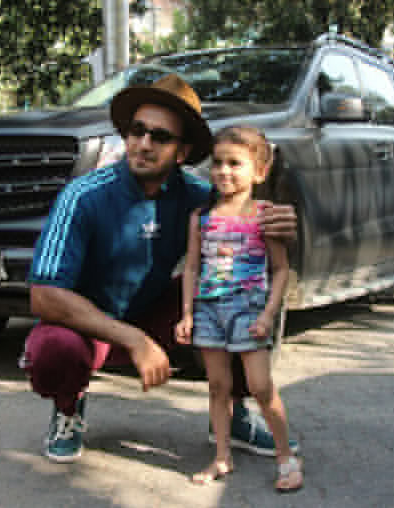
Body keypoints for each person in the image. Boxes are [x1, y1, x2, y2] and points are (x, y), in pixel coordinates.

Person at [20, 74, 299, 463]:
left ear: (182, 153)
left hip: (155, 311)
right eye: (137, 131)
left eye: (160, 137)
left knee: (238, 298)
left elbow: (247, 200)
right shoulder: (83, 195)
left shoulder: (197, 197)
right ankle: (68, 410)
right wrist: (134, 339)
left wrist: (281, 220)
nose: (144, 144)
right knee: (52, 350)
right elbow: (44, 295)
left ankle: (233, 412)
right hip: (90, 323)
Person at [175, 126, 303, 491]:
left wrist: (267, 314)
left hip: (248, 310)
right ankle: (221, 456)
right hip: (208, 310)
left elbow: (280, 270)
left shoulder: (265, 216)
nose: (224, 171)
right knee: (218, 386)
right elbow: (192, 267)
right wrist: (186, 313)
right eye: (218, 163)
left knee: (261, 386)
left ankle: (285, 458)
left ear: (259, 172)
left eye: (235, 163)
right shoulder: (202, 218)